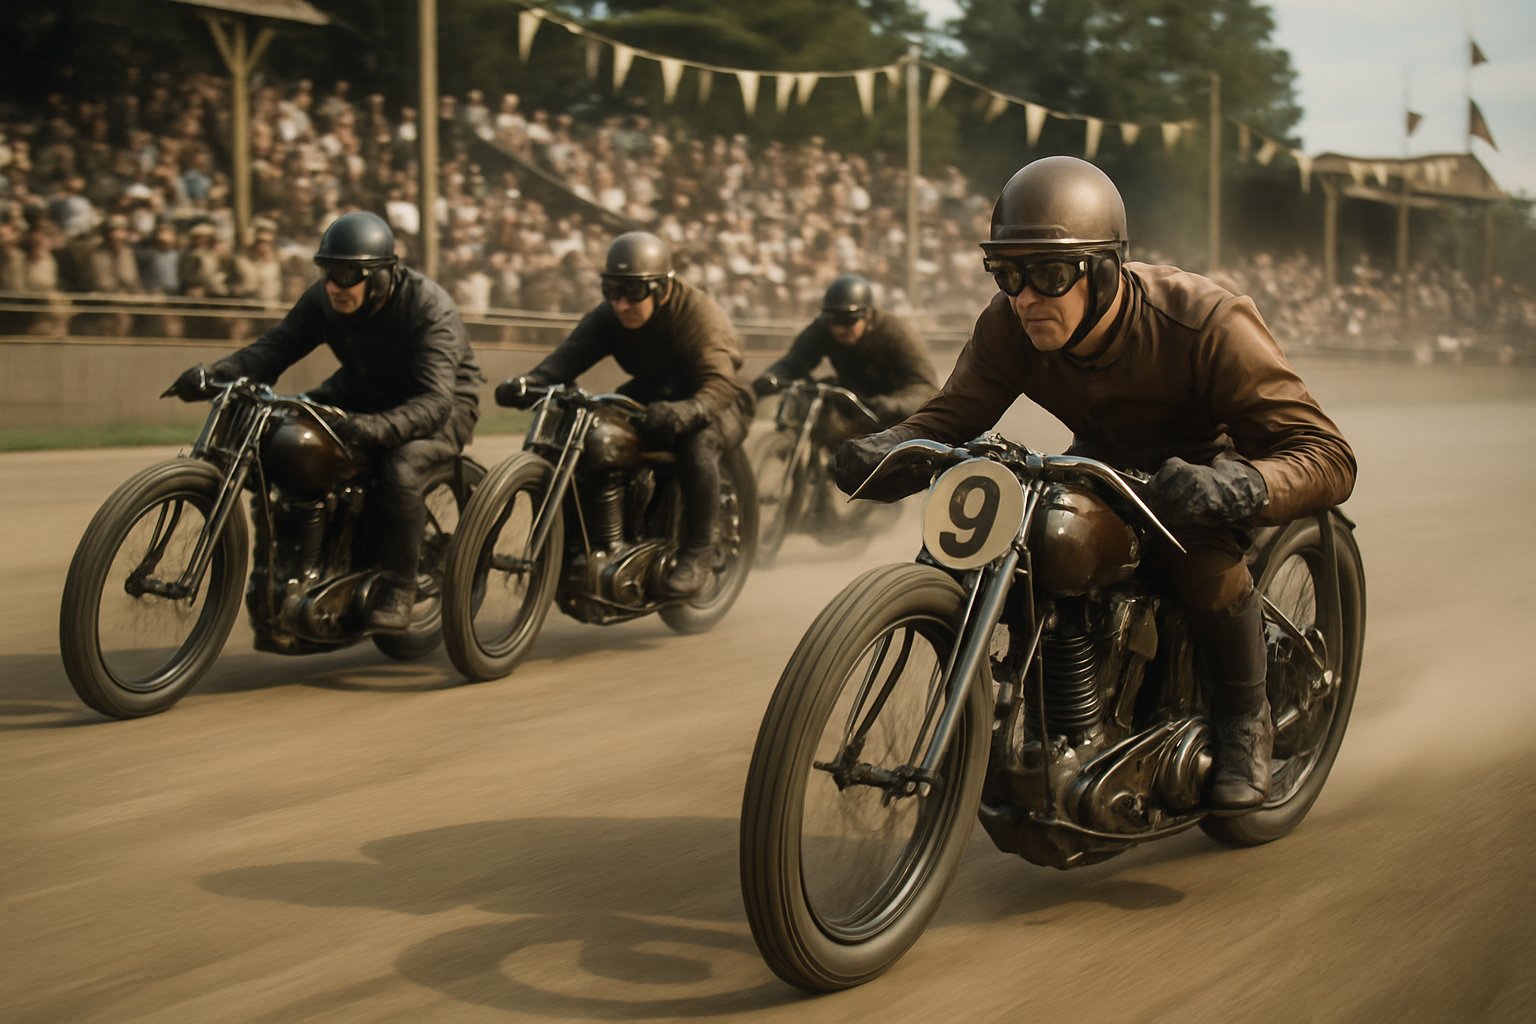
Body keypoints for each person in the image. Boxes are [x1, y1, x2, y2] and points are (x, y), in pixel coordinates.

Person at [833, 156, 1357, 812]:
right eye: (1007, 273)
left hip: (1207, 471)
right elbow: (947, 419)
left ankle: (1244, 722)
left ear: (1105, 271)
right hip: (1100, 461)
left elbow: (1328, 455)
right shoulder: (1008, 324)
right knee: (1042, 545)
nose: (1025, 297)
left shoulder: (1208, 322)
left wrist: (1237, 487)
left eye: (1049, 274)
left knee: (1202, 567)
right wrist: (884, 451)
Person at [165, 210, 484, 632]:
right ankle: (285, 569)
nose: (334, 285)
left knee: (401, 466)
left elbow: (434, 401)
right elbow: (277, 347)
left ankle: (399, 586)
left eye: (347, 275)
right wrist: (216, 375)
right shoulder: (325, 297)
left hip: (444, 404)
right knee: (281, 432)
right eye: (328, 271)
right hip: (365, 387)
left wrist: (376, 428)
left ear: (381, 275)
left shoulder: (429, 309)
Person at [495, 230, 755, 598]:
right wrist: (530, 383)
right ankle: (595, 540)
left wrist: (689, 410)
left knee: (699, 444)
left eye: (633, 291)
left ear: (663, 288)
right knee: (596, 429)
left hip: (719, 399)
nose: (621, 304)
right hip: (655, 390)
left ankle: (698, 552)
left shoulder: (698, 316)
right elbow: (567, 359)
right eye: (612, 290)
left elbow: (719, 383)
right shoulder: (610, 316)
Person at [751, 273, 939, 438]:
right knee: (813, 396)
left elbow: (926, 389)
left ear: (867, 316)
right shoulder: (824, 328)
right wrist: (772, 377)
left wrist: (891, 405)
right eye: (833, 320)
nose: (839, 329)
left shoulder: (897, 334)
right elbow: (794, 363)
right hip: (853, 400)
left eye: (848, 320)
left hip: (892, 413)